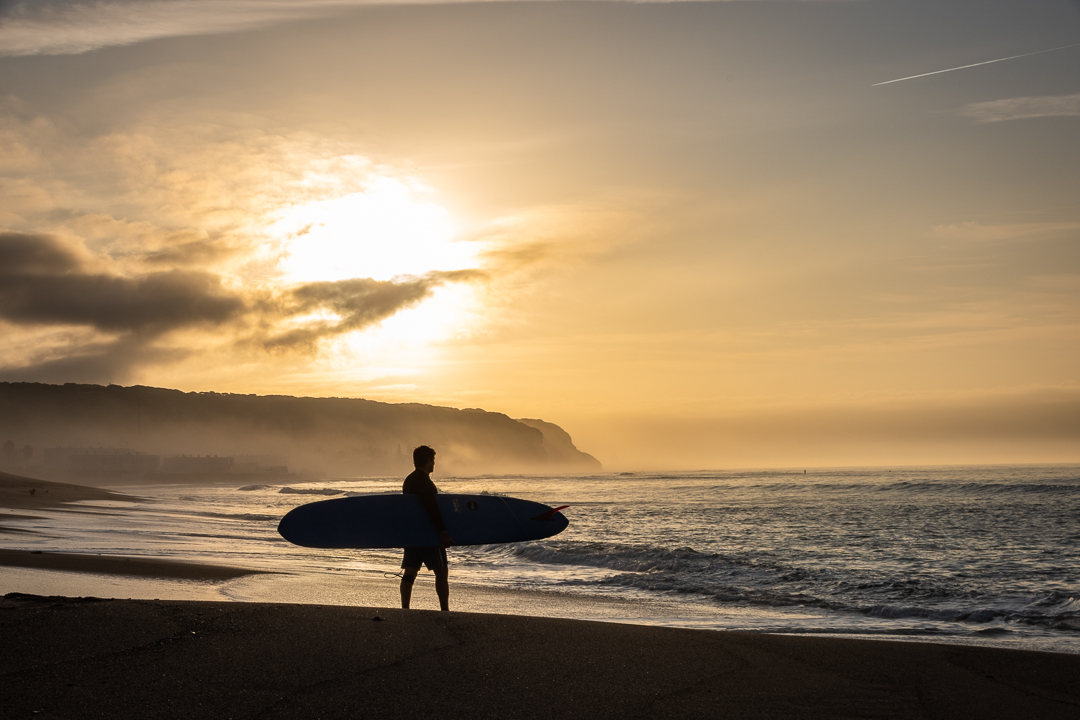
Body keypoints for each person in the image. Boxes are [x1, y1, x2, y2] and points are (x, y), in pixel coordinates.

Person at [400, 445, 454, 611]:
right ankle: (444, 610)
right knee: (441, 572)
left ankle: (405, 608)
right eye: (433, 460)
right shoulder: (425, 483)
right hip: (428, 534)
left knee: (409, 572)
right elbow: (431, 508)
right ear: (427, 460)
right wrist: (443, 531)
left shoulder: (408, 480)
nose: (434, 464)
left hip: (412, 534)